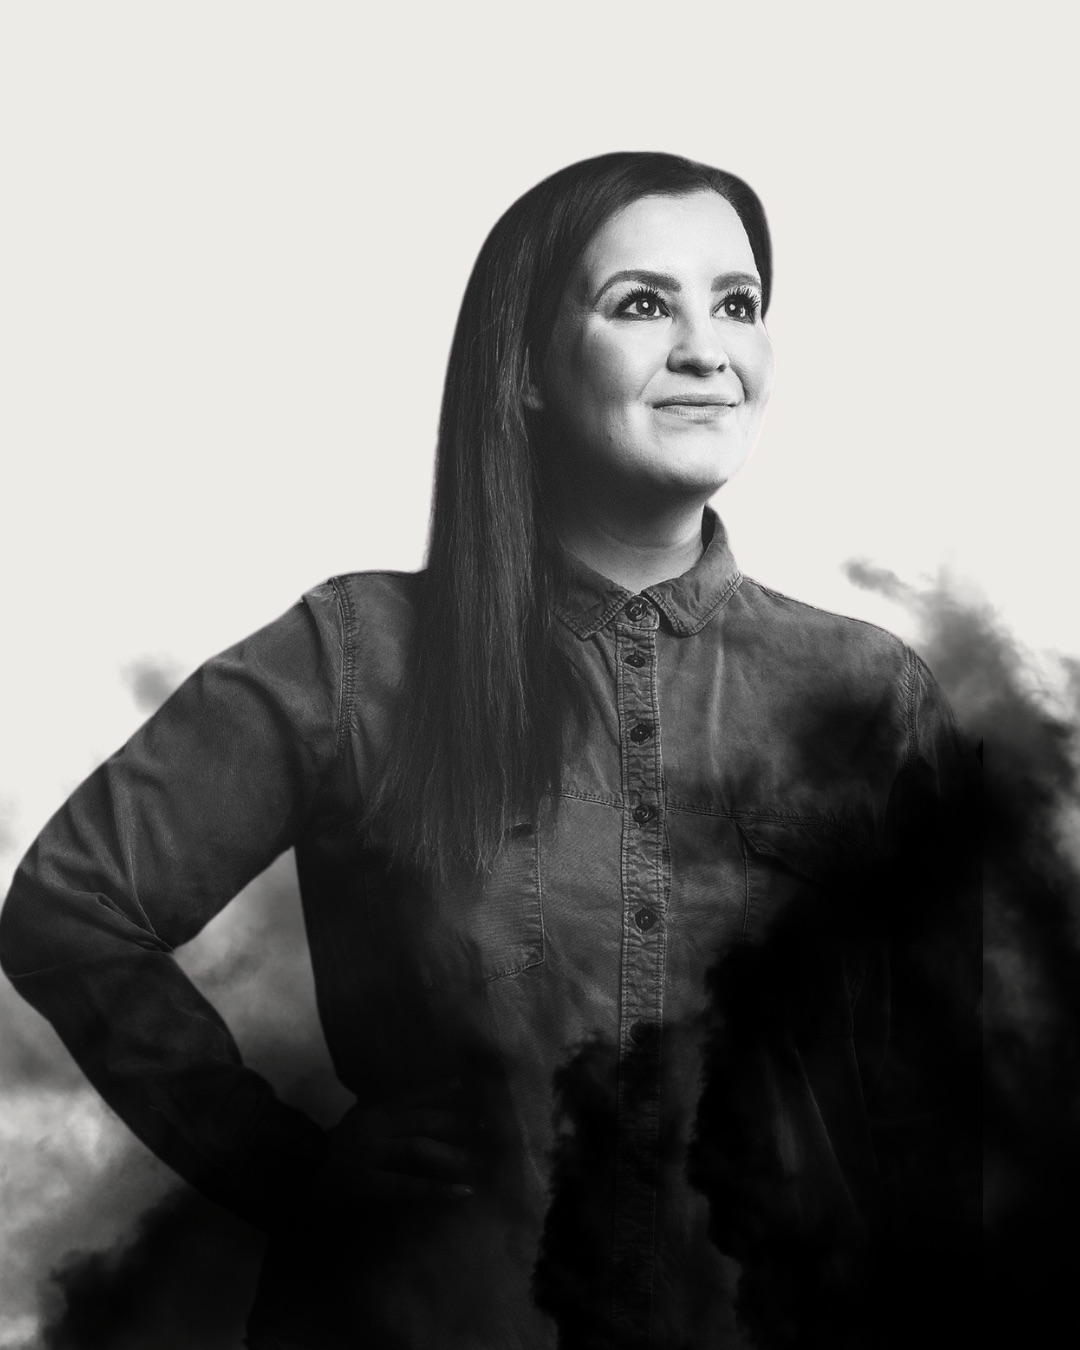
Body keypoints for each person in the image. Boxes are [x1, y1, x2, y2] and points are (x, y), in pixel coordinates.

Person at [0, 153, 979, 1349]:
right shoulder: (354, 654)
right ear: (522, 368)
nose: (705, 349)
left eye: (737, 303)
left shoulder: (870, 693)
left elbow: (946, 1099)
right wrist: (282, 1165)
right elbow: (73, 907)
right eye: (642, 304)